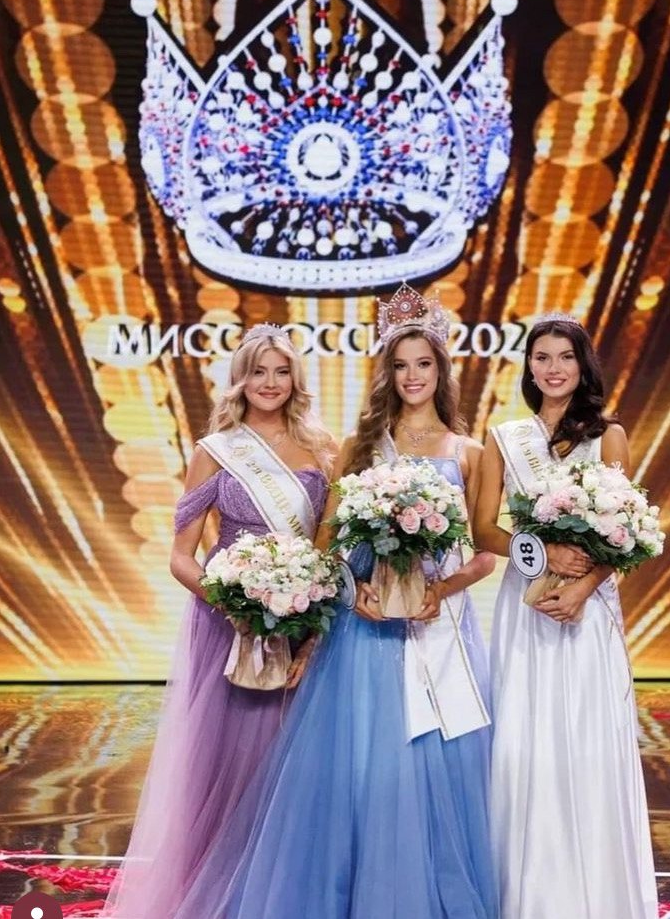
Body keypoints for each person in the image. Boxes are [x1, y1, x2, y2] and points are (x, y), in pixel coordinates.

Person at [173, 285, 497, 919]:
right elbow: (330, 542)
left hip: (437, 626)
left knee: (431, 764)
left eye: (423, 364)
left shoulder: (471, 453)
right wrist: (355, 587)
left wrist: (439, 590)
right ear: (386, 373)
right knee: (354, 767)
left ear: (441, 370)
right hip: (362, 625)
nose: (412, 376)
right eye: (399, 365)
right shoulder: (356, 448)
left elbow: (485, 552)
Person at [104, 325, 335, 919]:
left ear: (295, 380)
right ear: (240, 379)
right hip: (230, 625)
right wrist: (236, 605)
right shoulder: (216, 450)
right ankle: (218, 895)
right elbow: (181, 557)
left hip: (302, 621)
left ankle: (282, 893)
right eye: (258, 371)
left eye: (281, 372)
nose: (270, 383)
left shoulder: (322, 449)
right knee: (229, 759)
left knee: (293, 760)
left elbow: (328, 548)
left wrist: (305, 612)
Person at [474, 313, 658, 919]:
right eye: (541, 357)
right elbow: (483, 529)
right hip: (525, 603)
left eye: (565, 357)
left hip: (588, 607)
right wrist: (543, 552)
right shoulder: (505, 437)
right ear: (528, 367)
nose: (553, 368)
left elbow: (627, 532)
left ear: (583, 366)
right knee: (524, 739)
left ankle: (596, 896)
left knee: (585, 738)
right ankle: (524, 893)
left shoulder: (608, 436)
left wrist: (583, 587)